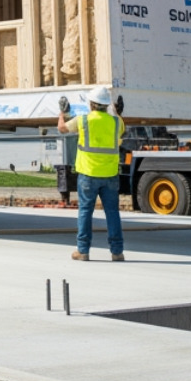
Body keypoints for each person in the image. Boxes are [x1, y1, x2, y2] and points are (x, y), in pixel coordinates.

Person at [58, 86, 125, 262]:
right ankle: (117, 252)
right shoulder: (116, 122)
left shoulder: (83, 120)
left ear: (91, 104)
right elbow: (119, 126)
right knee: (112, 213)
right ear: (106, 105)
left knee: (85, 212)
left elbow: (62, 128)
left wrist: (62, 112)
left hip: (88, 174)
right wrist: (117, 112)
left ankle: (83, 251)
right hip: (110, 175)